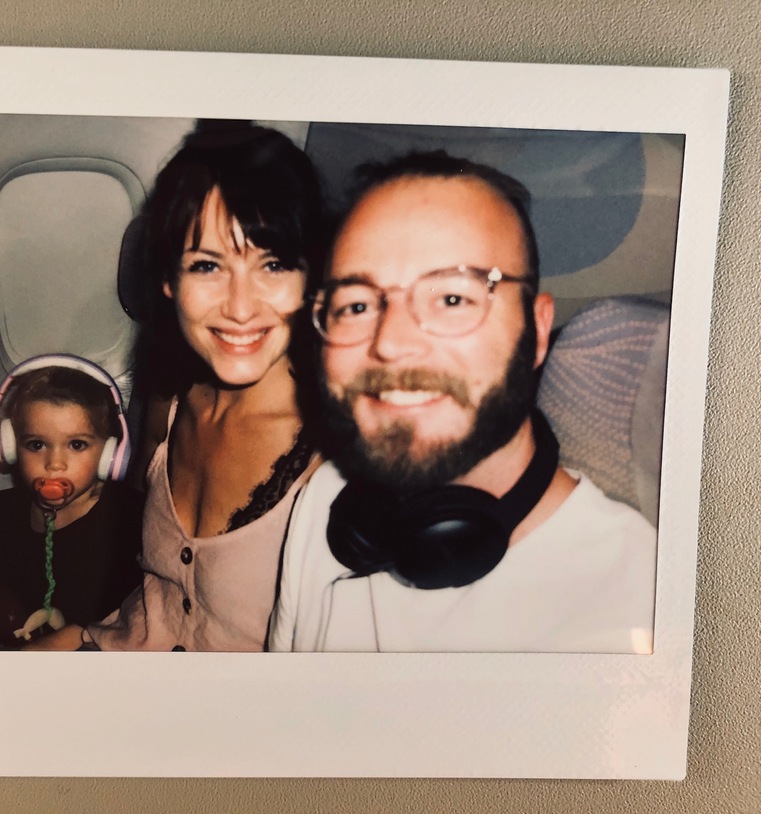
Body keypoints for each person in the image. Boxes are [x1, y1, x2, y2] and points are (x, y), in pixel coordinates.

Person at [268, 151, 657, 654]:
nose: (390, 342)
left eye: (452, 298)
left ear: (536, 331)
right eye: (357, 305)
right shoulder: (326, 496)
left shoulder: (636, 606)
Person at [30, 121, 324, 652]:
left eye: (273, 264)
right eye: (207, 265)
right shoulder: (169, 400)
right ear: (169, 280)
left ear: (309, 278)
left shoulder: (335, 453)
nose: (239, 307)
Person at [0, 357, 144, 648]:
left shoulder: (126, 519)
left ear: (111, 453)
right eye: (36, 445)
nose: (54, 464)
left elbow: (131, 607)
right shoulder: (13, 512)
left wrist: (68, 639)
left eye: (77, 444)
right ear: (9, 447)